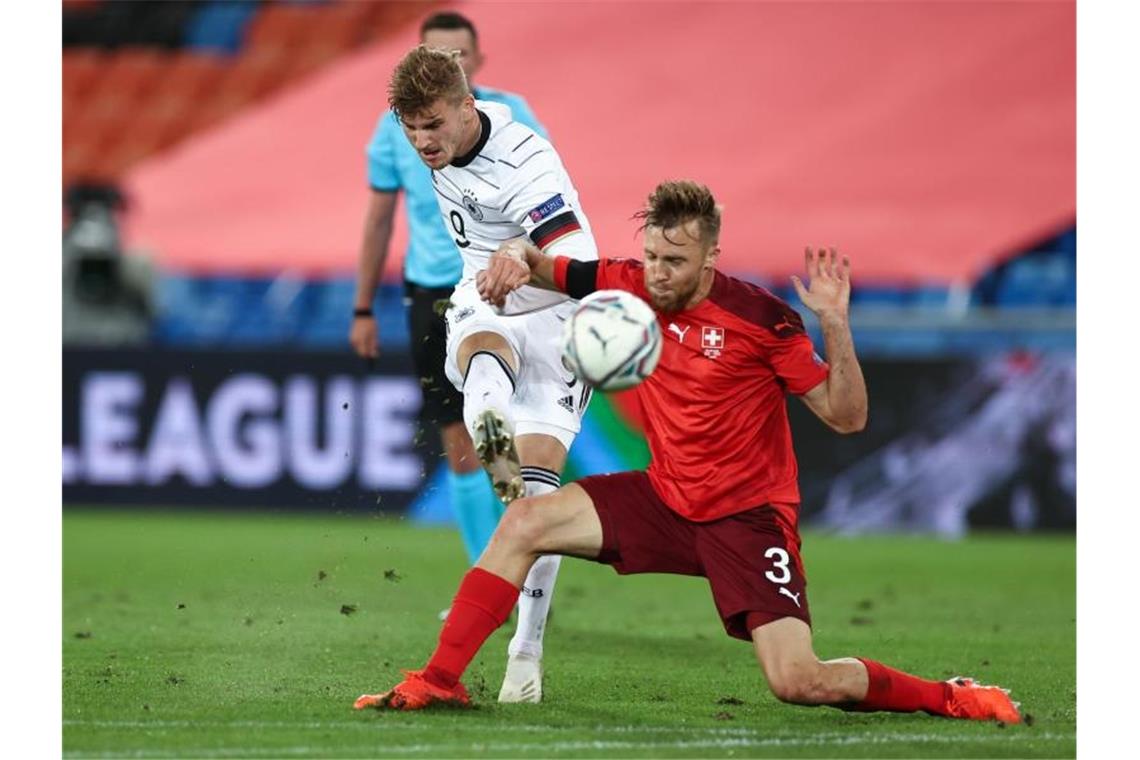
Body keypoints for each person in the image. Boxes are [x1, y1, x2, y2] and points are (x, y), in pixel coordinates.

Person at [353, 180, 1021, 724]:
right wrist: (513, 253)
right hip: (665, 499)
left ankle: (949, 695)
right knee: (527, 519)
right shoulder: (630, 284)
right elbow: (546, 265)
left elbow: (847, 417)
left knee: (799, 680)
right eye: (650, 257)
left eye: (674, 262)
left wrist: (836, 325)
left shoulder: (763, 321)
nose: (657, 274)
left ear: (710, 257)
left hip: (746, 520)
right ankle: (440, 681)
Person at [355, 42, 600, 704]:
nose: (421, 140)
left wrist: (524, 252)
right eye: (410, 129)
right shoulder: (435, 150)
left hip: (558, 315)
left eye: (432, 124)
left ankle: (526, 649)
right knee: (479, 341)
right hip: (486, 298)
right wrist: (500, 265)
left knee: (536, 507)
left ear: (469, 105)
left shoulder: (526, 160)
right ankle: (489, 413)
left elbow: (576, 249)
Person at [351, 11, 548, 581]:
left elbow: (544, 200)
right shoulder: (395, 131)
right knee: (461, 437)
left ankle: (526, 563)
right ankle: (489, 577)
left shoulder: (513, 118)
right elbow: (378, 221)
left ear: (476, 64)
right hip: (434, 292)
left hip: (506, 287)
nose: (446, 66)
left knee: (513, 431)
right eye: (435, 57)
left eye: (456, 58)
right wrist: (363, 307)